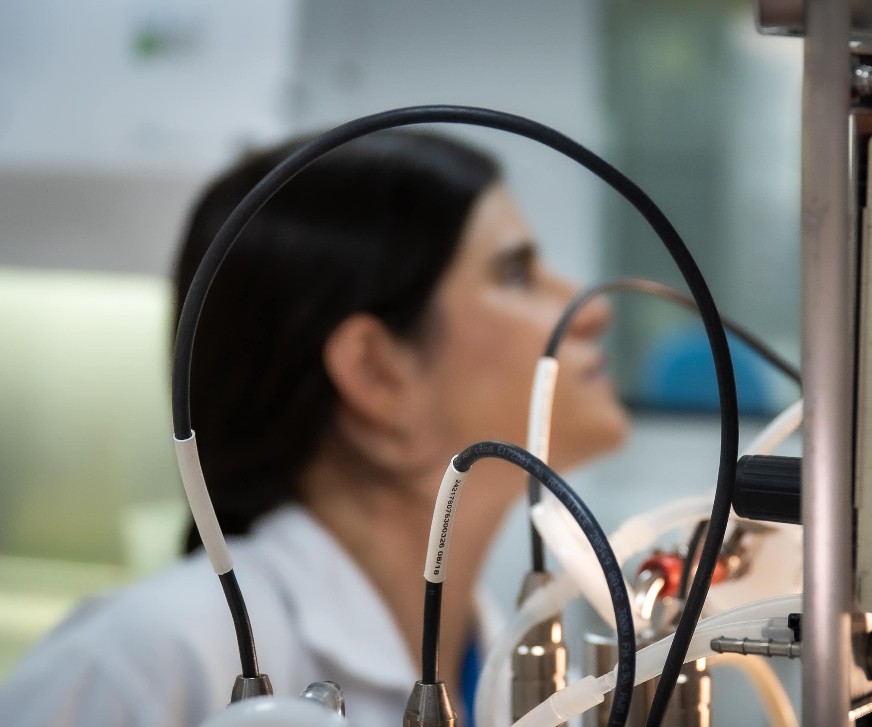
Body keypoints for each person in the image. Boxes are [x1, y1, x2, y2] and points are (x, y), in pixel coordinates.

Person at [0, 131, 630, 725]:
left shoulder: (517, 673)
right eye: (515, 273)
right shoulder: (143, 664)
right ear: (376, 373)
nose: (592, 310)